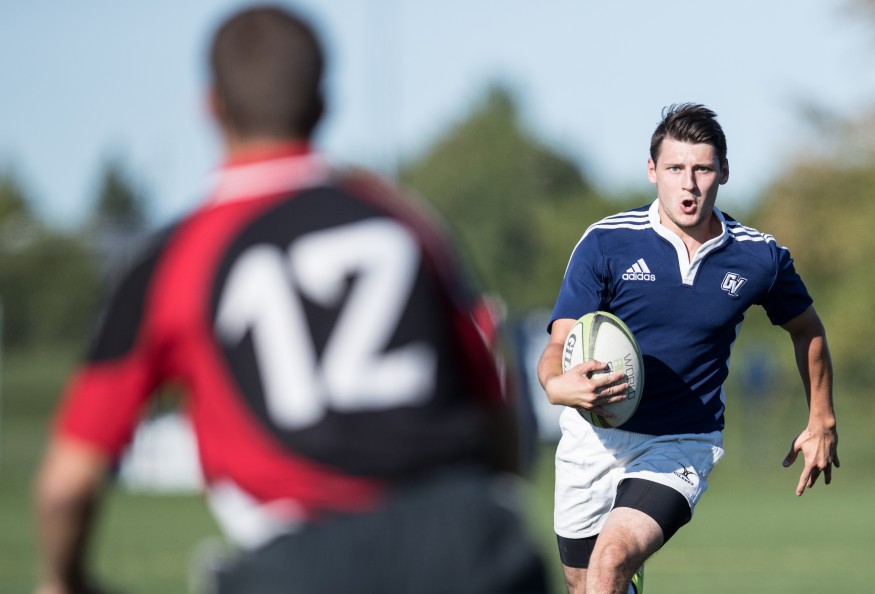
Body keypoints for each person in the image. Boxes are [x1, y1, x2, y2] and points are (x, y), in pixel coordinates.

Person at [33, 6, 548, 594]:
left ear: (211, 107)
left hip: (304, 564)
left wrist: (63, 578)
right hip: (473, 545)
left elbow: (66, 486)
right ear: (323, 105)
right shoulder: (405, 223)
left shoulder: (173, 258)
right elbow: (495, 404)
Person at [536, 103, 839, 594]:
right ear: (652, 170)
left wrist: (821, 418)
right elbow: (560, 339)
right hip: (593, 439)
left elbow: (807, 328)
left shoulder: (759, 256)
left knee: (610, 562)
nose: (689, 184)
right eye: (676, 168)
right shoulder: (607, 242)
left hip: (680, 441)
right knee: (584, 583)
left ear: (723, 171)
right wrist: (555, 383)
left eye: (702, 168)